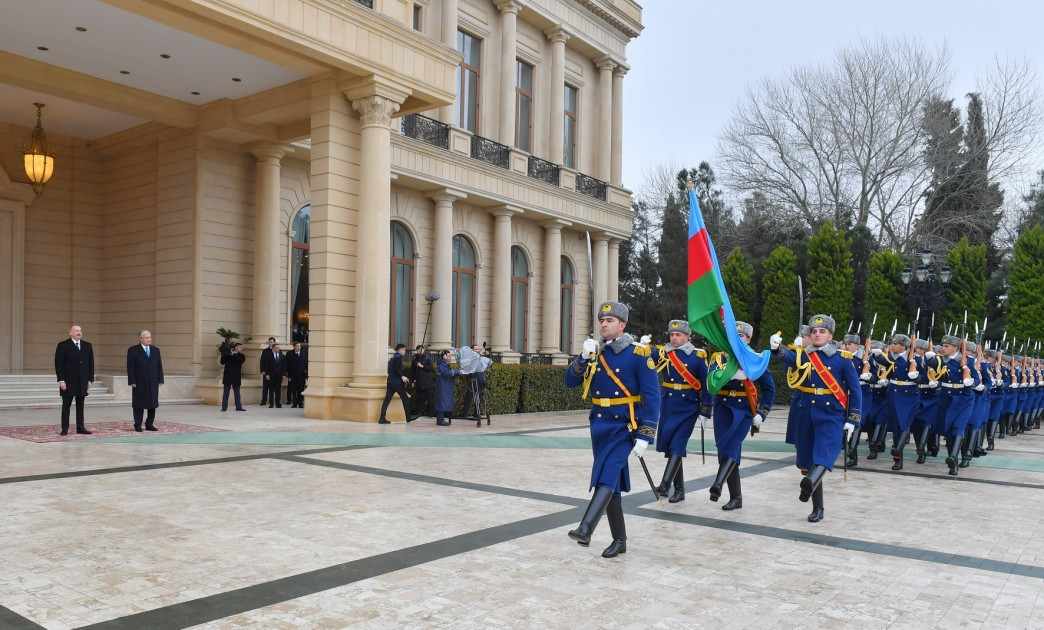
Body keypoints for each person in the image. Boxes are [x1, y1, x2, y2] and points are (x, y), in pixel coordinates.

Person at [564, 301, 660, 559]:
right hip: (600, 424)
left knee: (606, 474)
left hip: (623, 425)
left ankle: (586, 528)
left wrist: (645, 436)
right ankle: (620, 540)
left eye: (610, 321)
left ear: (622, 324)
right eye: (602, 320)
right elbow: (569, 382)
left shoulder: (639, 354)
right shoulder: (596, 352)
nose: (604, 324)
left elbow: (652, 398)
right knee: (612, 483)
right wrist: (582, 358)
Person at [770, 315, 861, 523]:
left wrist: (853, 418)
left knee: (825, 453)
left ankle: (809, 482)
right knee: (809, 459)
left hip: (831, 413)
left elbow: (855, 390)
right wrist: (777, 348)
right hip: (807, 411)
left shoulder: (842, 359)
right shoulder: (804, 355)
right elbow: (789, 358)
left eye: (822, 331)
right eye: (814, 332)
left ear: (831, 335)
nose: (817, 334)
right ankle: (818, 507)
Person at [707, 321, 774, 510]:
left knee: (732, 446)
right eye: (733, 337)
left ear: (749, 339)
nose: (736, 340)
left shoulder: (755, 359)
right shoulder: (719, 358)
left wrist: (762, 413)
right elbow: (711, 379)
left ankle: (718, 484)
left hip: (743, 409)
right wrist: (730, 374)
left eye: (741, 336)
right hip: (722, 408)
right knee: (724, 450)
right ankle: (736, 497)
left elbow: (769, 389)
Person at [651, 320, 711, 504]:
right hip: (669, 404)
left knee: (678, 444)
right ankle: (680, 490)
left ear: (687, 336)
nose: (674, 338)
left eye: (678, 335)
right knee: (672, 447)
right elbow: (646, 358)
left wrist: (706, 410)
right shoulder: (663, 353)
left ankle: (665, 484)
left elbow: (707, 385)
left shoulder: (697, 356)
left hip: (688, 406)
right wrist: (645, 346)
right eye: (672, 334)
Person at [931, 335, 978, 476]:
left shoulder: (967, 361)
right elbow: (928, 365)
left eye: (946, 346)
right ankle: (954, 462)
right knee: (948, 430)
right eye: (943, 346)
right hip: (946, 398)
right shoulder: (940, 360)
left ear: (956, 348)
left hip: (964, 399)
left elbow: (976, 379)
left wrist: (971, 382)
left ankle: (952, 456)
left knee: (958, 426)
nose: (943, 348)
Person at [54, 324, 95, 435]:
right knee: (66, 406)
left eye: (80, 330)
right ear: (70, 333)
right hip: (68, 381)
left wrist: (90, 379)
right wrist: (61, 380)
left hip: (82, 381)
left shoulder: (87, 345)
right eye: (76, 331)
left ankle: (80, 428)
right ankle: (64, 428)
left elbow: (91, 364)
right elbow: (59, 364)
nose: (78, 332)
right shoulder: (63, 345)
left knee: (80, 405)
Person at [127, 330, 164, 432]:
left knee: (152, 403)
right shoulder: (133, 350)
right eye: (147, 337)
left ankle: (149, 424)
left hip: (153, 381)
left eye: (150, 337)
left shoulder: (156, 350)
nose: (149, 339)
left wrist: (160, 379)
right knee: (139, 403)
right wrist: (132, 381)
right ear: (141, 339)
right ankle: (138, 424)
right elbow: (130, 367)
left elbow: (159, 366)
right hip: (139, 382)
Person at [378, 343, 416, 424]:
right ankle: (409, 417)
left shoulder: (393, 358)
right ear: (401, 350)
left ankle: (382, 418)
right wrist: (402, 377)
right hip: (397, 383)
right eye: (404, 350)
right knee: (405, 399)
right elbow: (396, 370)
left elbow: (392, 369)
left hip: (390, 382)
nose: (405, 352)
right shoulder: (398, 358)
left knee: (387, 400)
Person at [460, 345, 490, 426]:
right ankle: (465, 414)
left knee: (479, 398)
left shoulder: (479, 357)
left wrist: (487, 355)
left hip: (480, 380)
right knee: (469, 397)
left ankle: (476, 413)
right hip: (472, 380)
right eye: (476, 349)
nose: (477, 350)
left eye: (478, 349)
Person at [434, 349, 461, 426]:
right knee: (442, 403)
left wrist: (457, 373)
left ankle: (441, 419)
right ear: (444, 356)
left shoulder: (444, 364)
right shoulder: (442, 365)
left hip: (445, 386)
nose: (450, 357)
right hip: (443, 386)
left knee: (443, 403)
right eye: (449, 356)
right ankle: (440, 420)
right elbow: (446, 373)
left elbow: (449, 373)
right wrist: (458, 371)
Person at [220, 342, 247, 412]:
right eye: (240, 347)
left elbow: (239, 361)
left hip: (236, 377)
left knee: (237, 393)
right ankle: (224, 407)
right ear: (236, 347)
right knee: (226, 393)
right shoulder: (228, 354)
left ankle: (238, 407)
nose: (241, 348)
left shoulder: (242, 356)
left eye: (241, 347)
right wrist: (227, 354)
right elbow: (222, 361)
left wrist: (233, 355)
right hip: (227, 376)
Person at [411, 345, 434, 417]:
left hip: (426, 382)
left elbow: (431, 368)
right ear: (416, 351)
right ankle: (419, 412)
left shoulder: (427, 358)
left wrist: (422, 366)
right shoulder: (414, 359)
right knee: (418, 398)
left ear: (423, 350)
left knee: (429, 398)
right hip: (418, 382)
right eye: (418, 349)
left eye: (421, 349)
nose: (420, 351)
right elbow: (412, 372)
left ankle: (431, 413)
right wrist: (412, 381)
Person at [263, 342, 286, 408]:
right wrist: (267, 374)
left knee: (278, 390)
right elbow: (267, 366)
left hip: (279, 375)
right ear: (273, 348)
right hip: (271, 375)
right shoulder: (269, 356)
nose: (278, 349)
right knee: (271, 390)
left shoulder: (282, 356)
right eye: (277, 347)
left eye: (279, 347)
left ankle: (278, 403)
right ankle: (271, 403)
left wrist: (284, 374)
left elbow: (284, 366)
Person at [286, 342, 308, 408]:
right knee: (294, 390)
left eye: (299, 346)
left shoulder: (303, 354)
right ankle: (294, 403)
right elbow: (287, 365)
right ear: (294, 347)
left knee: (301, 390)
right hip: (293, 376)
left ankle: (300, 403)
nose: (299, 347)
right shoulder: (290, 354)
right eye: (297, 346)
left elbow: (306, 364)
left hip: (301, 375)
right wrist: (289, 376)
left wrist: (306, 374)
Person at [259, 337, 276, 406]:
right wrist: (262, 370)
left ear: (274, 343)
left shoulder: (277, 350)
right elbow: (261, 361)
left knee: (273, 388)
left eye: (272, 342)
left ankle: (272, 401)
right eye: (269, 342)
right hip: (266, 371)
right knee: (265, 387)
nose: (270, 343)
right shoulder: (265, 351)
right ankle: (263, 401)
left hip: (274, 372)